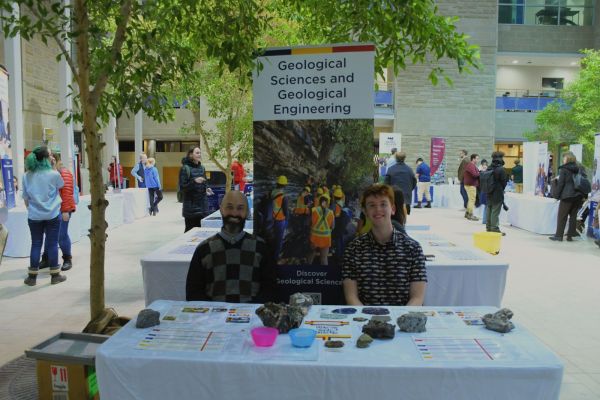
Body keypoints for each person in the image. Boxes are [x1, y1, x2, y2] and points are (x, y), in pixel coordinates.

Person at [342, 184, 426, 306]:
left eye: (383, 204)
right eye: (372, 205)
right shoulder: (353, 250)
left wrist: (398, 322)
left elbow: (417, 298)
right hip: (365, 320)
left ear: (393, 209)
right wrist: (369, 321)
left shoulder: (413, 249)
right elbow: (351, 297)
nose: (378, 210)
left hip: (402, 321)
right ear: (365, 211)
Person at [186, 190, 276, 302]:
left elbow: (270, 290)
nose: (234, 213)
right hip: (213, 317)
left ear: (247, 212)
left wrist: (250, 311)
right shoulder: (204, 249)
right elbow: (194, 292)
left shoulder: (261, 248)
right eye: (229, 207)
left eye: (240, 208)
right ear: (221, 209)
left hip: (252, 316)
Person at [21, 146, 67, 286]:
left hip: (34, 216)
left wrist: (32, 209)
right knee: (52, 244)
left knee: (36, 244)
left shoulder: (26, 175)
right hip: (52, 214)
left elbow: (25, 198)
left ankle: (32, 277)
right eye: (50, 155)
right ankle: (55, 275)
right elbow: (61, 185)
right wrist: (54, 168)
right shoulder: (53, 174)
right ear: (47, 158)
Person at [550, 151, 586, 241]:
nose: (563, 159)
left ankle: (558, 236)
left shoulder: (564, 169)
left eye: (564, 157)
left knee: (562, 216)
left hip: (567, 195)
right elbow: (584, 181)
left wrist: (556, 196)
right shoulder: (580, 168)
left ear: (567, 159)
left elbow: (561, 184)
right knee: (573, 216)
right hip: (578, 195)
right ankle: (570, 236)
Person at [180, 146, 213, 232]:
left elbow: (205, 183)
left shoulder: (202, 168)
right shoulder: (185, 168)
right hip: (191, 208)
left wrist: (207, 188)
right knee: (189, 233)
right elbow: (183, 187)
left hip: (203, 207)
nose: (199, 155)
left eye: (200, 153)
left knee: (202, 233)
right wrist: (194, 181)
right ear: (191, 155)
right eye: (197, 153)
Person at [486, 152, 509, 235]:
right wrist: (501, 188)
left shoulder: (489, 167)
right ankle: (494, 229)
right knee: (495, 211)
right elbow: (504, 182)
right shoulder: (501, 169)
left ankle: (488, 227)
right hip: (497, 193)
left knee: (489, 209)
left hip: (489, 192)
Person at [309, 195, 334, 265]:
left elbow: (309, 223)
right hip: (326, 238)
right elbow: (333, 226)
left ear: (319, 201)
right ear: (328, 203)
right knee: (324, 258)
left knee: (311, 254)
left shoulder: (313, 210)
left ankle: (306, 271)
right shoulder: (331, 212)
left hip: (314, 238)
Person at [271, 175, 289, 263]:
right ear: (285, 185)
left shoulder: (273, 192)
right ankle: (276, 257)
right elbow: (285, 211)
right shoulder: (284, 196)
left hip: (272, 219)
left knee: (273, 238)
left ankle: (272, 254)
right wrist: (287, 220)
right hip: (280, 220)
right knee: (279, 240)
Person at [463, 154, 480, 221]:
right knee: (472, 200)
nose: (478, 160)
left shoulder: (471, 165)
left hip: (469, 184)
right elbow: (475, 175)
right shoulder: (471, 165)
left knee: (470, 199)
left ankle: (467, 213)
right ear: (473, 159)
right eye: (477, 158)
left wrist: (478, 172)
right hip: (470, 185)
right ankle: (470, 214)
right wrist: (480, 173)